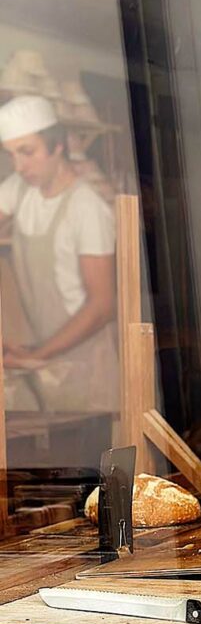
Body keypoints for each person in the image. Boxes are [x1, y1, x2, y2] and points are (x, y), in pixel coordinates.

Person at [0, 94, 118, 413]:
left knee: (87, 460)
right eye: (11, 154)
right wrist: (33, 353)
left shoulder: (87, 209)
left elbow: (102, 306)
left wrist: (37, 355)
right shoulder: (21, 188)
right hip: (45, 360)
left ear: (57, 145)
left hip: (86, 367)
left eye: (27, 152)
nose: (19, 166)